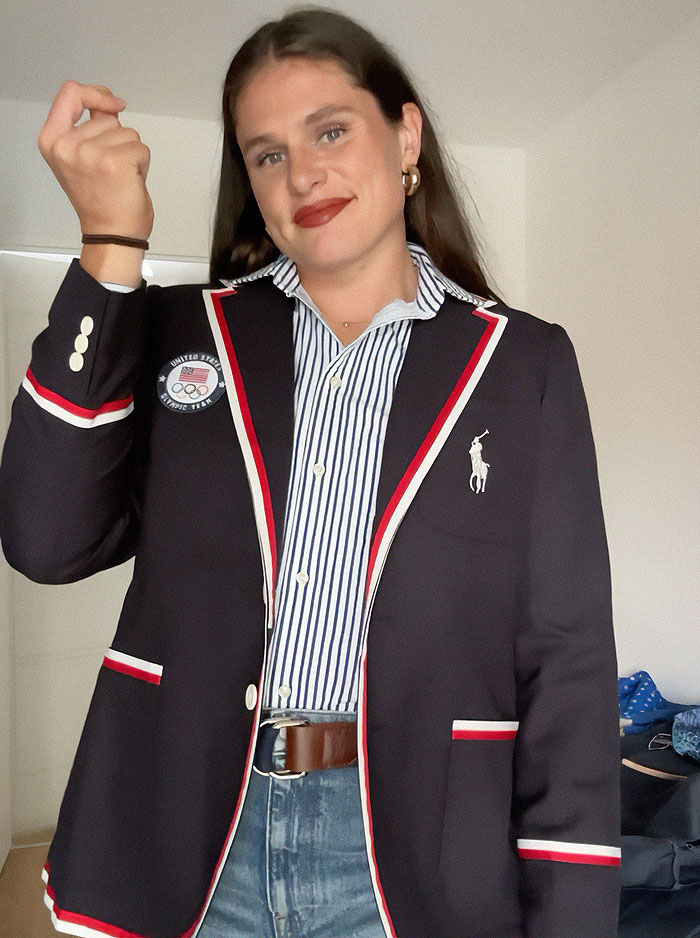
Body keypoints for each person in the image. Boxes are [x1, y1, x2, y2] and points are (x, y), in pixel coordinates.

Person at [0, 7, 622, 938]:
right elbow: (46, 540)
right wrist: (108, 246)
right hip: (187, 827)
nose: (302, 174)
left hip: (416, 848)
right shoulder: (183, 331)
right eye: (268, 154)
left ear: (405, 137)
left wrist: (573, 911)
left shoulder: (522, 364)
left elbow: (567, 656)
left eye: (330, 132)